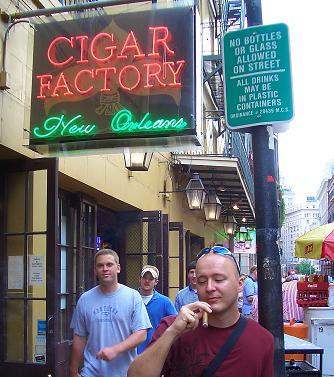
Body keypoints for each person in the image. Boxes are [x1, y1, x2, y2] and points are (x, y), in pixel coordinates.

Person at [128, 246, 274, 377]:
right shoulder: (171, 327)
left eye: (219, 279)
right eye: (202, 281)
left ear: (240, 283)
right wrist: (172, 333)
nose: (210, 287)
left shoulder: (262, 340)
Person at [69, 249, 151, 377]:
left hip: (124, 373)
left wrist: (115, 350)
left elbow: (141, 334)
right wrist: (73, 371)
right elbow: (79, 337)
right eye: (100, 265)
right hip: (91, 372)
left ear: (118, 268)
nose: (105, 269)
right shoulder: (85, 299)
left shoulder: (133, 297)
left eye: (109, 264)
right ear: (95, 270)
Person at [137, 265, 177, 354]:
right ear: (139, 279)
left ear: (156, 282)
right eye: (144, 277)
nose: (147, 281)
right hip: (133, 351)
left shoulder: (165, 302)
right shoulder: (131, 298)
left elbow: (175, 323)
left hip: (156, 351)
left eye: (151, 278)